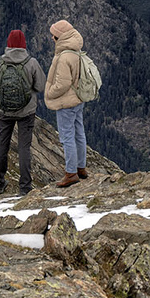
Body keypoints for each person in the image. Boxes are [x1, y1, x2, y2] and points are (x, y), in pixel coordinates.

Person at [0, 29, 45, 194]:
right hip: (27, 112)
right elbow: (40, 86)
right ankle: (25, 187)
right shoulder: (31, 62)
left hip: (5, 111)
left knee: (2, 145)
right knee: (24, 148)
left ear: (9, 44)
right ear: (23, 45)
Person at [45, 19, 88, 186]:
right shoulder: (76, 50)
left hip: (66, 102)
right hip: (78, 99)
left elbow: (62, 84)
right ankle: (81, 168)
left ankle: (71, 174)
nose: (52, 38)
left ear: (59, 37)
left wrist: (49, 91)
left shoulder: (64, 56)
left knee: (67, 137)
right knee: (79, 133)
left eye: (54, 36)